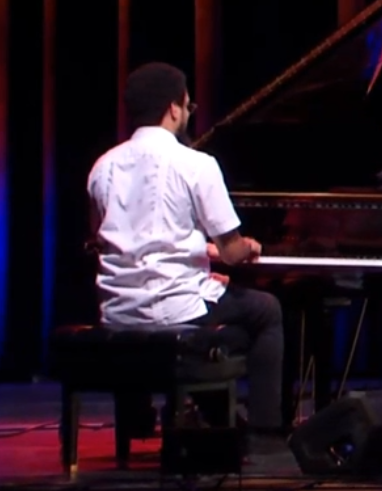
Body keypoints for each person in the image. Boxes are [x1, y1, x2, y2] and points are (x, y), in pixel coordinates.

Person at [87, 62, 286, 456]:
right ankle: (265, 433)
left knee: (220, 312)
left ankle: (185, 415)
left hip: (118, 311)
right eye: (188, 105)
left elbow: (105, 240)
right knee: (267, 311)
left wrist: (198, 258)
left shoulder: (102, 166)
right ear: (174, 108)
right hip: (174, 308)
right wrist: (248, 246)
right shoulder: (196, 164)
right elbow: (232, 251)